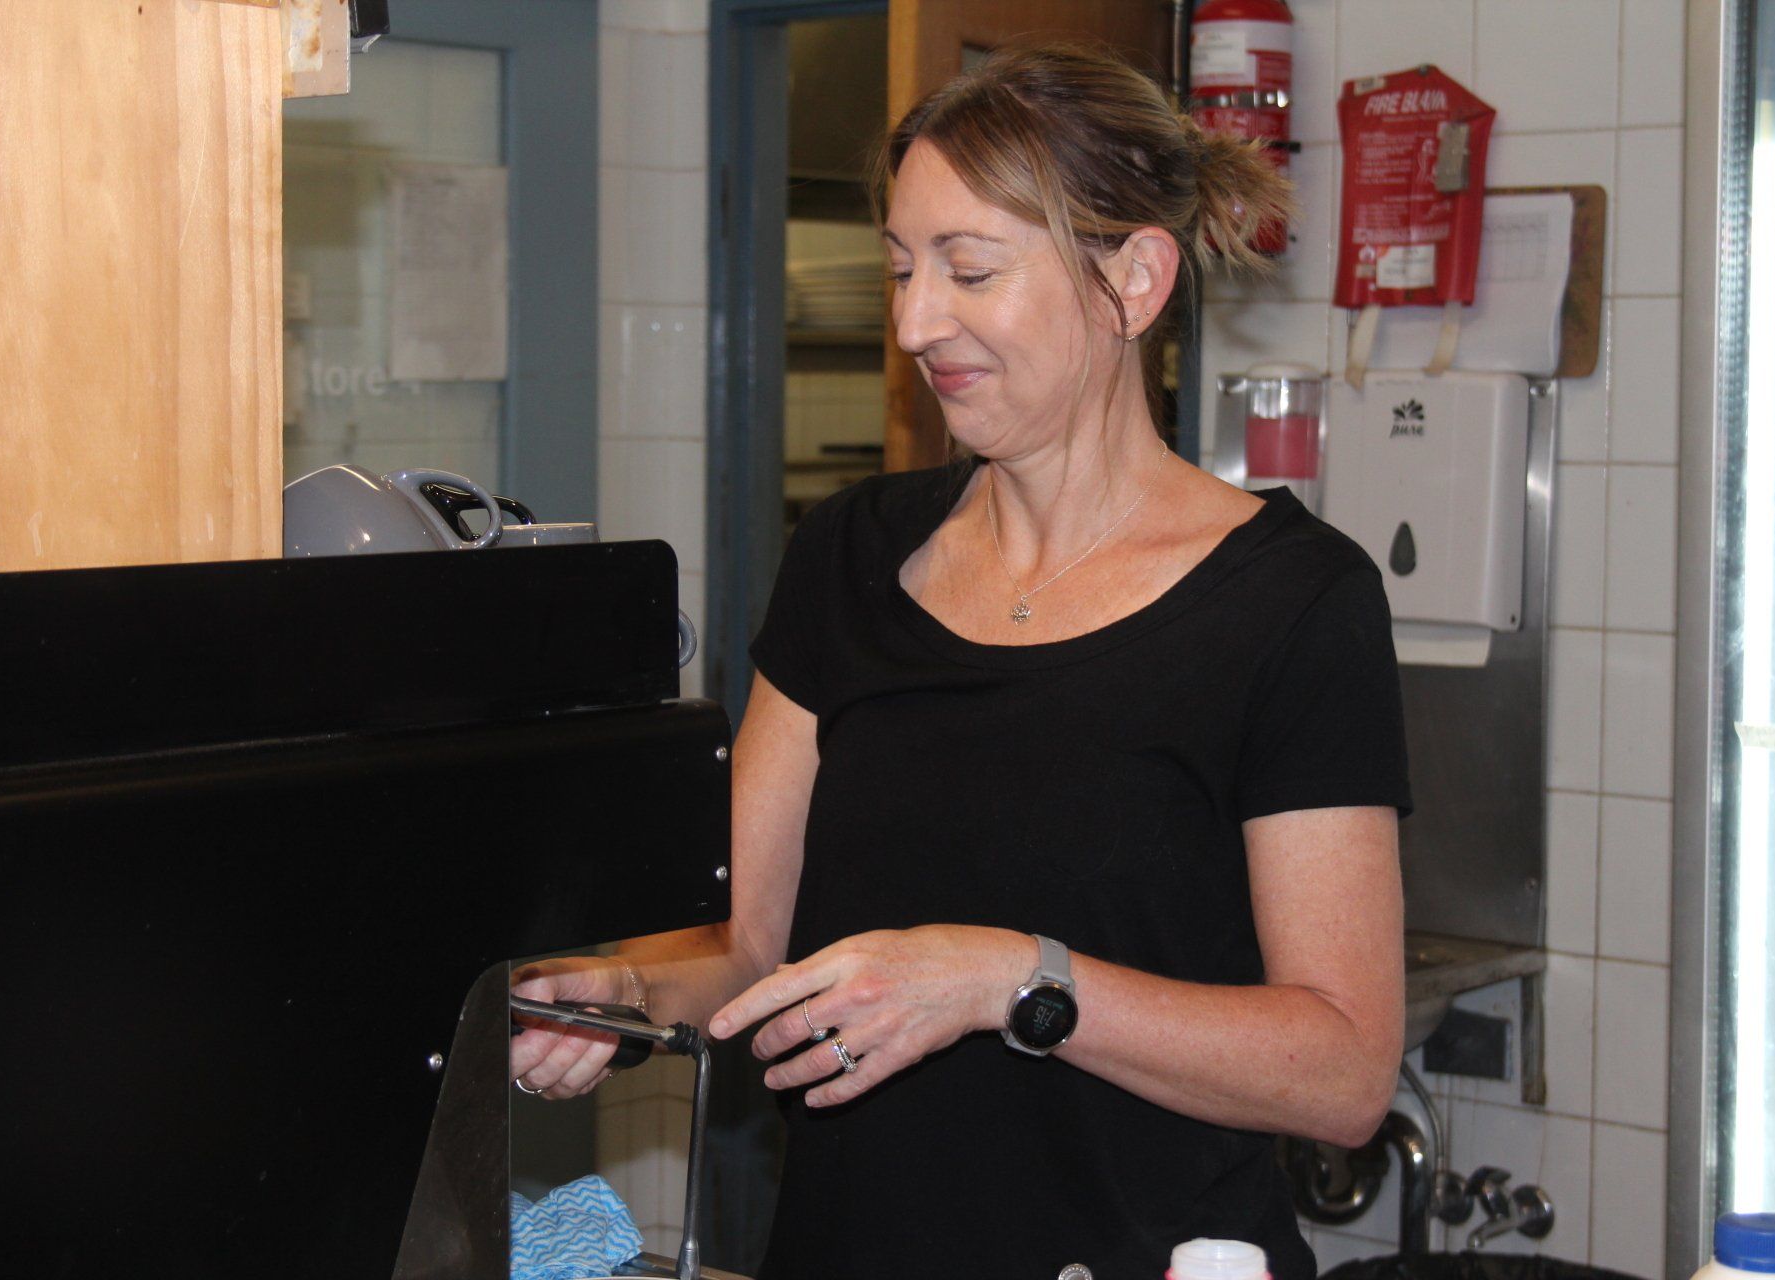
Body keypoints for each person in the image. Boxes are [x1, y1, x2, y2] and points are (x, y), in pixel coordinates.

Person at [511, 42, 1410, 1280]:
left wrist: (1010, 978)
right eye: (899, 267)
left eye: (968, 268)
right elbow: (747, 939)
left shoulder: (1294, 602)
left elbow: (1345, 1068)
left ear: (1134, 279)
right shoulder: (850, 556)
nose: (913, 322)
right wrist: (612, 987)